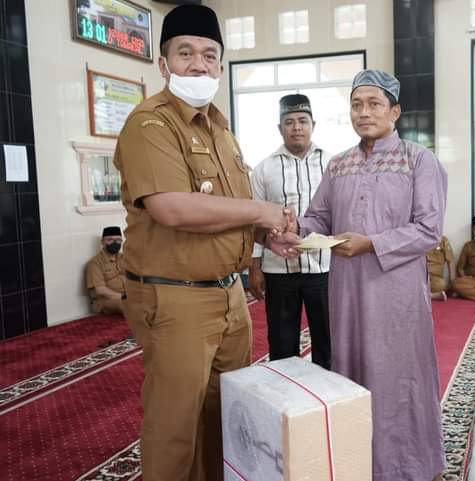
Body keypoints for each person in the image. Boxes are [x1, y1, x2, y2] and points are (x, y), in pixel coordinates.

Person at [113, 5, 295, 481]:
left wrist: (265, 236)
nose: (198, 64)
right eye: (186, 53)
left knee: (221, 418)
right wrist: (260, 212)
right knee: (175, 427)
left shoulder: (220, 129)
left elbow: (226, 208)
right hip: (175, 297)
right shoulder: (149, 124)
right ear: (163, 63)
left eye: (209, 55)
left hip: (228, 296)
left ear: (220, 64)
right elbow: (172, 208)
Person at [283, 69, 447, 481]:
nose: (363, 112)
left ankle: (406, 467)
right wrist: (292, 229)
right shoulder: (338, 165)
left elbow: (429, 229)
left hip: (397, 296)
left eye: (374, 104)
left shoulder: (418, 160)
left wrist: (371, 243)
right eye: (356, 105)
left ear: (395, 111)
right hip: (347, 294)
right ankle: (357, 464)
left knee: (397, 377)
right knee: (350, 371)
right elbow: (318, 216)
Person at [248, 94, 333, 369]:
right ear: (279, 128)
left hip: (324, 267)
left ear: (313, 125)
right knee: (282, 343)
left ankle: (329, 398)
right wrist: (255, 266)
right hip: (278, 269)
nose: (297, 127)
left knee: (328, 338)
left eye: (303, 121)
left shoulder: (333, 165)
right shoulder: (263, 170)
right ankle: (288, 402)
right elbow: (255, 222)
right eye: (289, 122)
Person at [85, 226, 125, 315]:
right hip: (106, 300)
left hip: (126, 296)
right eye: (110, 240)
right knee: (130, 305)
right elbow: (100, 290)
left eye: (118, 240)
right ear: (102, 242)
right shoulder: (95, 263)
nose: (115, 243)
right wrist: (124, 297)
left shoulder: (124, 258)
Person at [426, 235, 454, 301]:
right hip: (420, 276)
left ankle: (426, 296)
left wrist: (452, 284)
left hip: (435, 278)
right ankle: (431, 296)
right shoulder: (418, 238)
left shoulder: (443, 240)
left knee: (441, 285)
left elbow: (451, 262)